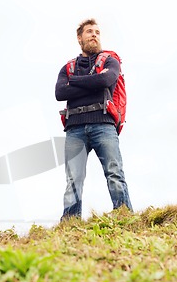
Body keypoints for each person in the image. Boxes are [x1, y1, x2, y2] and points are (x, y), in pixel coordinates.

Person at [55, 18, 133, 220]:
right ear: (79, 38)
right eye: (89, 31)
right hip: (74, 129)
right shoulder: (68, 67)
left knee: (114, 172)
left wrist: (75, 83)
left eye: (97, 32)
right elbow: (60, 93)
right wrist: (92, 84)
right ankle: (70, 223)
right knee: (73, 179)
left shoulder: (110, 61)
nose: (94, 35)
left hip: (104, 124)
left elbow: (106, 80)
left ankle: (124, 215)